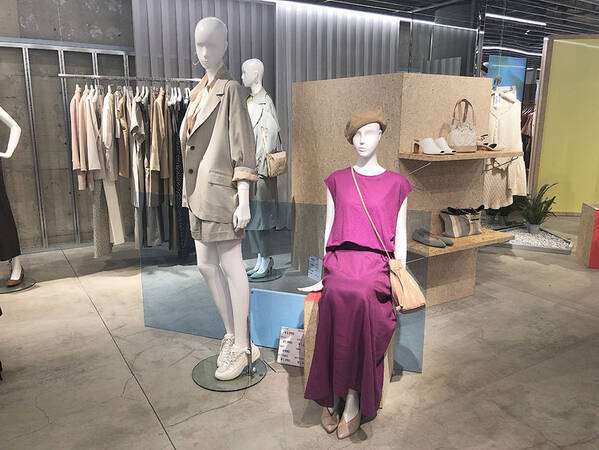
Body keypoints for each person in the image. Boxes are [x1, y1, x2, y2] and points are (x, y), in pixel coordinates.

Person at [301, 109, 413, 439]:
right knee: (336, 294)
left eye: (370, 132)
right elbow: (328, 229)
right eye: (357, 135)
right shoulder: (337, 180)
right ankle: (331, 394)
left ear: (381, 135)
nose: (363, 140)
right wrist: (325, 270)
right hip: (341, 259)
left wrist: (399, 276)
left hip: (376, 263)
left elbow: (400, 235)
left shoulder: (397, 184)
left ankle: (351, 396)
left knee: (363, 296)